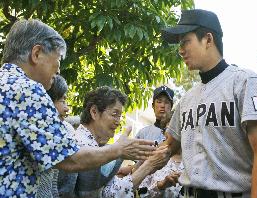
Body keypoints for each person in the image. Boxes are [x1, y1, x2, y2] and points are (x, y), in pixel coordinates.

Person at [0, 19, 157, 197]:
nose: (58, 71)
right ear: (36, 54)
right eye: (58, 60)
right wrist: (119, 149)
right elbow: (69, 159)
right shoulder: (27, 89)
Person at [161, 9, 257, 198]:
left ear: (207, 39)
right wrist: (130, 164)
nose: (180, 50)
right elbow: (168, 147)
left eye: (185, 42)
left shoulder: (245, 82)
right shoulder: (187, 99)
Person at [70, 86, 170, 198]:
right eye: (114, 114)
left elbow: (112, 191)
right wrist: (148, 164)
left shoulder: (99, 147)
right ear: (94, 112)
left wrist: (147, 164)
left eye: (120, 116)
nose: (118, 122)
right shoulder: (75, 144)